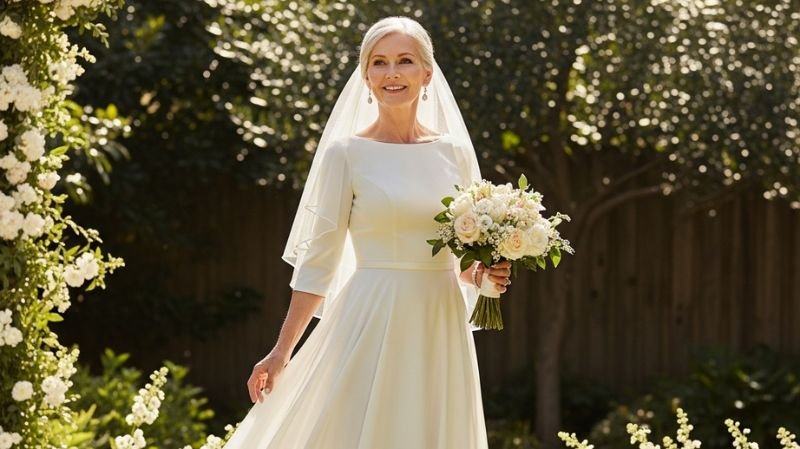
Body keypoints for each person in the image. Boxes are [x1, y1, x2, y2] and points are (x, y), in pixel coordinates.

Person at [222, 16, 512, 449]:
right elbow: (318, 266)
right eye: (379, 63)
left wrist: (485, 275)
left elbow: (462, 262)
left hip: (439, 321)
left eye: (404, 61)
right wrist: (281, 352)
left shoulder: (455, 153)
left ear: (426, 73)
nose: (391, 73)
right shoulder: (347, 155)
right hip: (371, 316)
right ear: (366, 77)